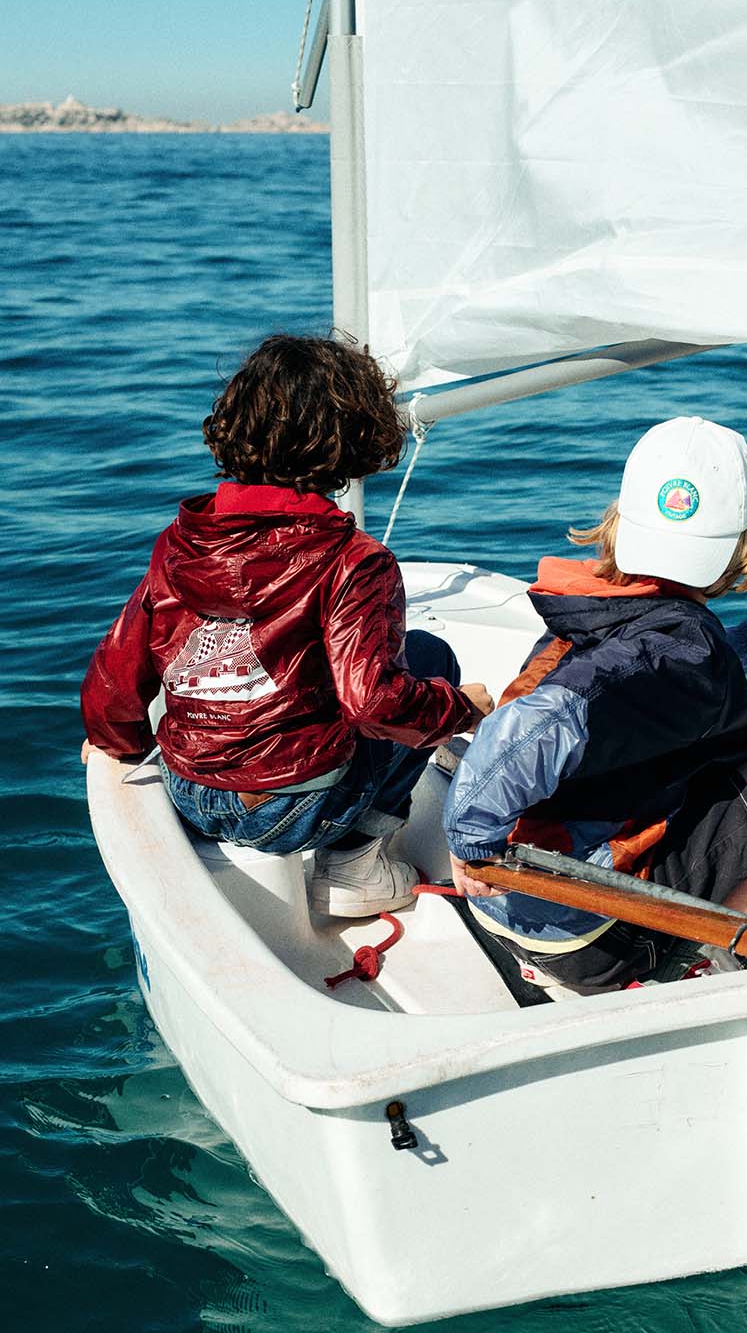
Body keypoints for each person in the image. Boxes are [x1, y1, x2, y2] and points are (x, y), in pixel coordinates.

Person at [81, 333, 494, 917]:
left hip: (190, 792)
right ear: (358, 436)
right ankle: (353, 865)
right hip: (296, 812)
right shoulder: (353, 560)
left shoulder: (182, 541)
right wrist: (458, 710)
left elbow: (115, 672)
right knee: (431, 658)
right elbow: (372, 703)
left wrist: (114, 741)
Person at [443, 415, 747, 991]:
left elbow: (658, 674)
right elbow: (540, 724)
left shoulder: (598, 602)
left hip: (505, 909)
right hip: (593, 939)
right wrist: (470, 838)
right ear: (742, 545)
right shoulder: (677, 650)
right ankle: (694, 946)